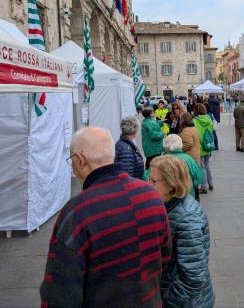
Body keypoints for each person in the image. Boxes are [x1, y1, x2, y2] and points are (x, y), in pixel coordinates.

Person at [40, 126, 171, 308]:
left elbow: (60, 292)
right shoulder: (151, 195)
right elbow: (165, 256)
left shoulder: (77, 211)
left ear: (79, 160)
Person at [149, 155, 215, 308]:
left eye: (154, 181)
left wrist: (166, 301)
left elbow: (193, 277)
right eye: (149, 179)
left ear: (172, 183)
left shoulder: (188, 219)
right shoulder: (169, 205)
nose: (149, 185)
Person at [163, 134, 204, 202]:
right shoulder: (188, 159)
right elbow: (198, 177)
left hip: (167, 198)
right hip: (187, 195)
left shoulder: (160, 160)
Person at [193, 103, 214, 194]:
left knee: (201, 166)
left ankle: (204, 186)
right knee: (207, 165)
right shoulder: (208, 118)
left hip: (200, 145)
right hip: (208, 144)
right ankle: (210, 183)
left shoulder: (195, 120)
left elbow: (195, 133)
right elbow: (212, 130)